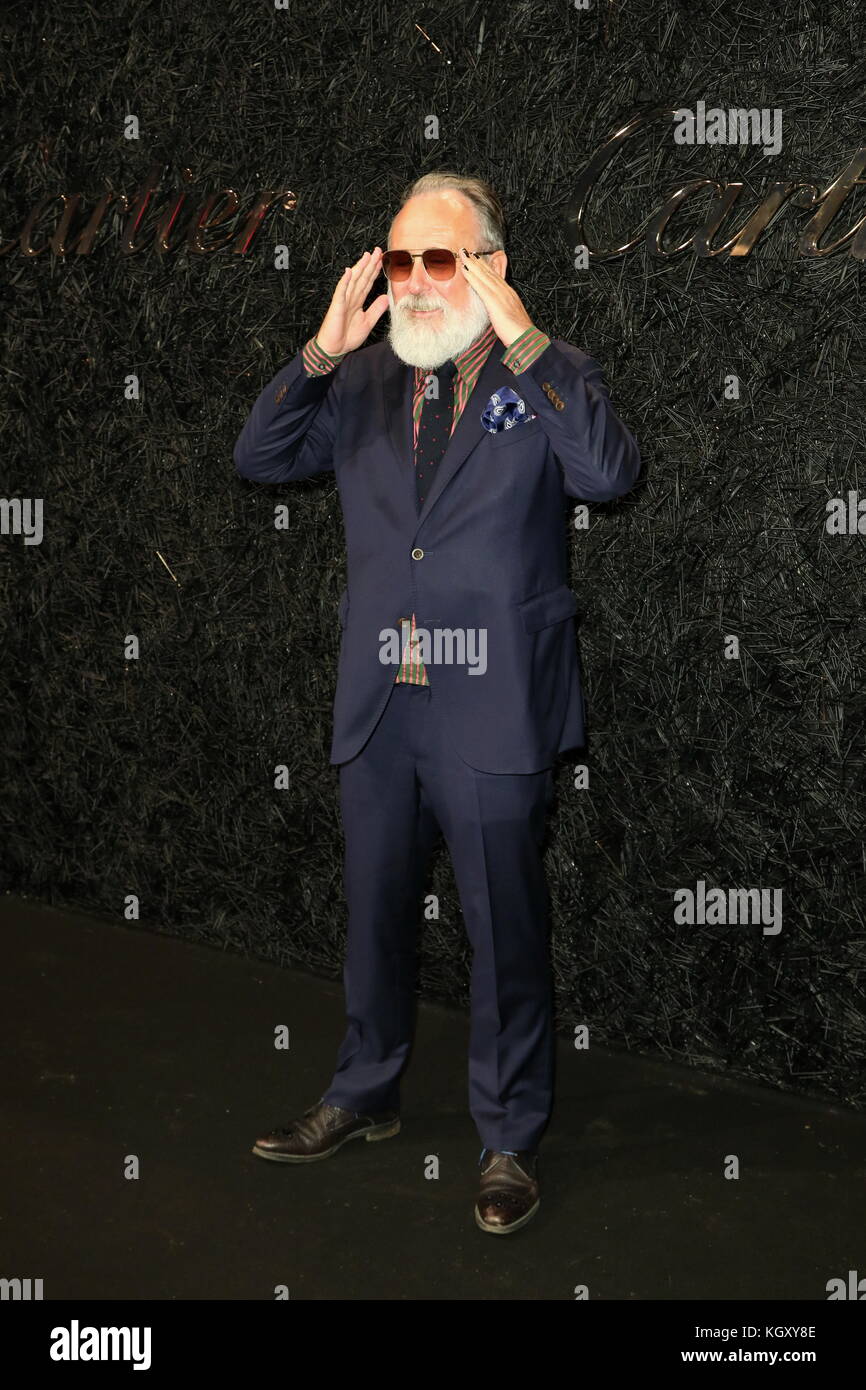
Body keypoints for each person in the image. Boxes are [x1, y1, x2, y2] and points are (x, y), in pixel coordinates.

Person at [234, 171, 641, 1234]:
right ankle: (363, 1089)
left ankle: (507, 1136)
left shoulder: (554, 377)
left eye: (440, 259)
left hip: (492, 704)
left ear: (489, 267)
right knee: (373, 913)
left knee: (503, 928)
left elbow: (604, 474)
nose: (414, 281)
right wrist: (321, 350)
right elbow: (258, 455)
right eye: (400, 258)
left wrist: (525, 341)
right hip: (381, 704)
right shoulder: (363, 382)